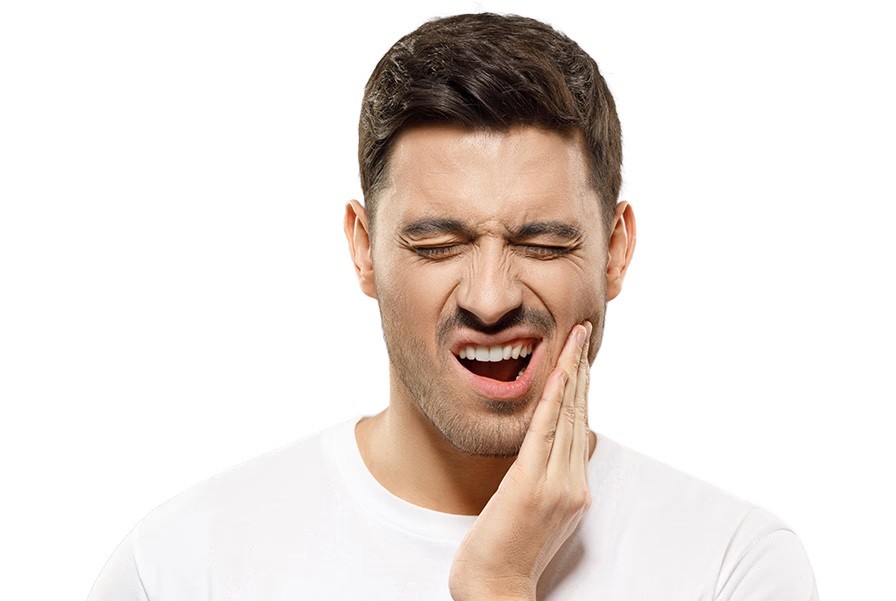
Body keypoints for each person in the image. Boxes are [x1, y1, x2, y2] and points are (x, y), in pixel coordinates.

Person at [87, 12, 819, 600]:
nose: (492, 298)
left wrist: (496, 584)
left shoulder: (733, 567)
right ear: (363, 249)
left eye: (543, 242)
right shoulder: (182, 568)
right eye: (438, 244)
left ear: (616, 250)